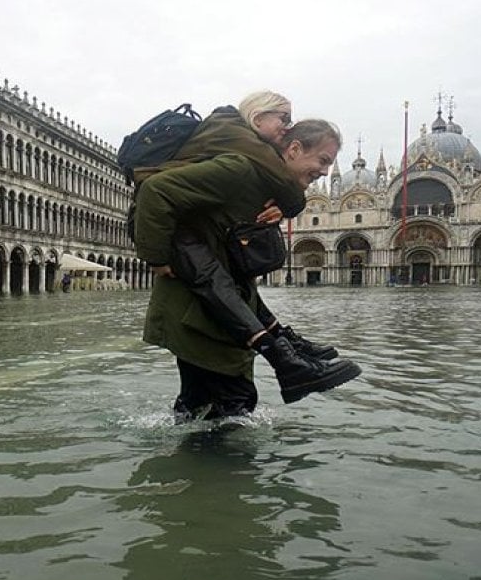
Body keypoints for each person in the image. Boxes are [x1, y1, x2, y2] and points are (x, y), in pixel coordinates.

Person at [135, 118, 362, 421]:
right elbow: (154, 191)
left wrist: (288, 204)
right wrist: (156, 258)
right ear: (294, 149)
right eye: (322, 160)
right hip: (200, 312)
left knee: (203, 407)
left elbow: (234, 258)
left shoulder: (268, 186)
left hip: (214, 309)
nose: (324, 171)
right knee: (230, 407)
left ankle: (288, 353)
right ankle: (286, 363)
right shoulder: (242, 171)